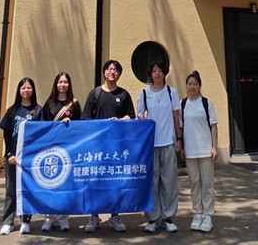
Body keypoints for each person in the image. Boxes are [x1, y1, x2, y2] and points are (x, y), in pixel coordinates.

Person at [80, 59, 136, 233]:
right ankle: (94, 216)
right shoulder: (95, 94)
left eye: (116, 70)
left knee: (115, 181)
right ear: (104, 72)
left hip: (116, 147)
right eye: (110, 69)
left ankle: (115, 216)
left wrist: (120, 120)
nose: (112, 72)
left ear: (119, 74)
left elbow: (131, 116)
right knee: (94, 181)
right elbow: (85, 119)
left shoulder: (123, 94)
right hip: (96, 147)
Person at [137, 59, 182, 233]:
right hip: (151, 144)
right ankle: (153, 218)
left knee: (169, 181)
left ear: (164, 73)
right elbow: (140, 114)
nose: (157, 73)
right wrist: (145, 121)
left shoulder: (172, 92)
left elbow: (176, 117)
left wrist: (179, 139)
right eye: (154, 70)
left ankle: (168, 217)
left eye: (160, 70)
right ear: (150, 73)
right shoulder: (144, 93)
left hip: (168, 141)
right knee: (152, 182)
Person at [0, 77, 44, 236]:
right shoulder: (12, 110)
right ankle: (8, 222)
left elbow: (41, 135)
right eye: (23, 87)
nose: (26, 90)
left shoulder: (38, 111)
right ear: (19, 90)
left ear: (33, 90)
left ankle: (26, 221)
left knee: (27, 189)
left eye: (29, 87)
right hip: (13, 158)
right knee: (11, 190)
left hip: (29, 158)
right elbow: (6, 134)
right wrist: (9, 154)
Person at [40, 71, 81, 232]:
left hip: (68, 149)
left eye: (65, 82)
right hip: (51, 149)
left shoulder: (74, 104)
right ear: (56, 84)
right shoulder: (49, 103)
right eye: (60, 82)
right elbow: (43, 125)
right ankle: (49, 218)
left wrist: (71, 122)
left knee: (65, 184)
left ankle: (64, 218)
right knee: (50, 184)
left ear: (69, 85)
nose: (62, 85)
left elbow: (81, 126)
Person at [180, 70, 218, 233]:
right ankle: (197, 213)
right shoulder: (183, 104)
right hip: (190, 150)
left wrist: (214, 147)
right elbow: (181, 127)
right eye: (189, 84)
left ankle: (208, 215)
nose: (192, 87)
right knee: (194, 182)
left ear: (200, 86)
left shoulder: (206, 103)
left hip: (205, 149)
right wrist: (181, 146)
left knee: (207, 183)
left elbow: (213, 126)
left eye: (195, 84)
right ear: (186, 86)